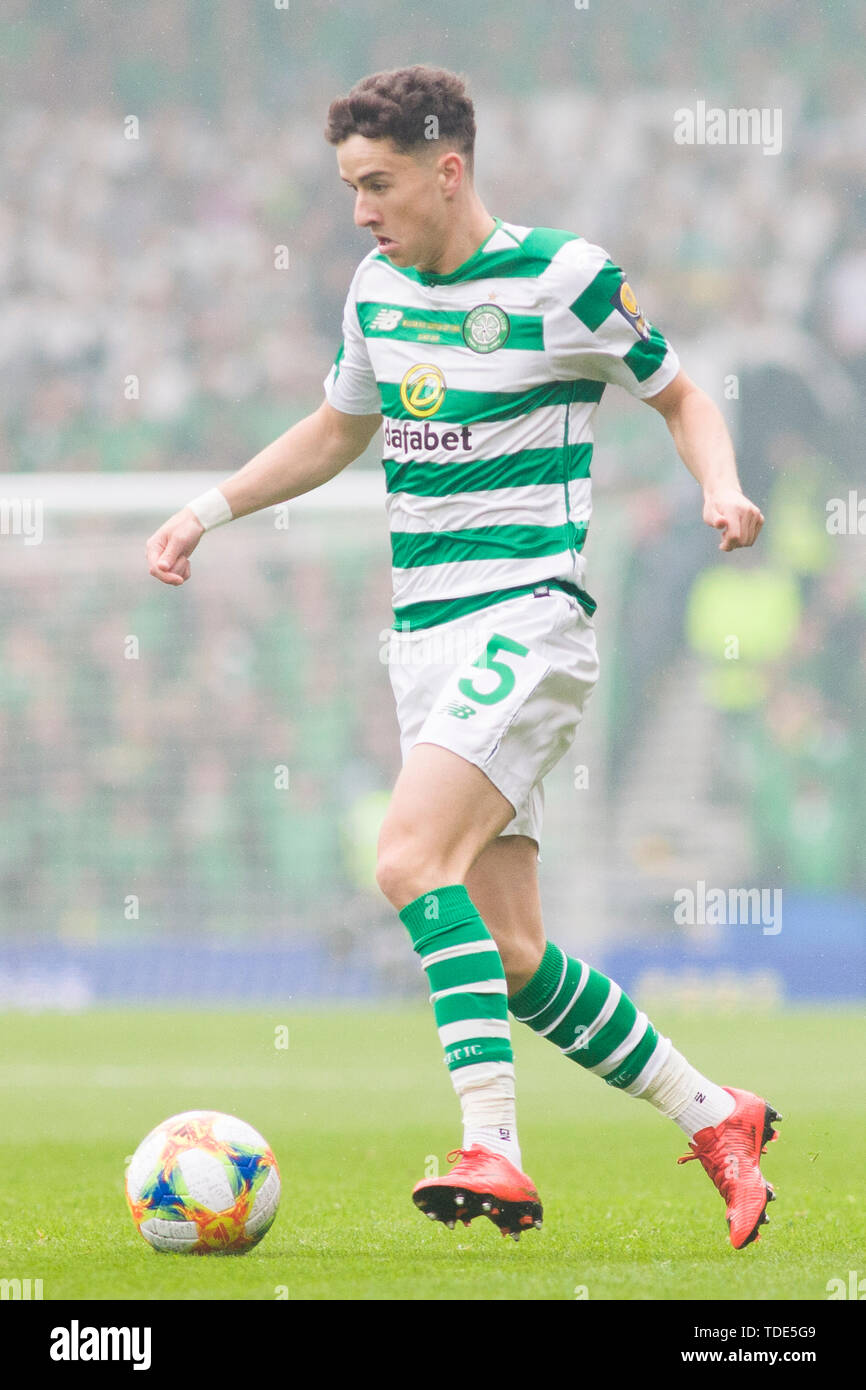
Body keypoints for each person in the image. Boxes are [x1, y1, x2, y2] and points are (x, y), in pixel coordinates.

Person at [146, 65, 778, 1249]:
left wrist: (722, 484)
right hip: (427, 646)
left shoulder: (566, 278)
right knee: (511, 954)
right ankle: (715, 1113)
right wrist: (209, 508)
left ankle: (495, 1144)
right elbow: (340, 428)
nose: (358, 210)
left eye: (376, 183)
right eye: (347, 187)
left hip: (526, 619)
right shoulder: (375, 289)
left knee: (402, 857)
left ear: (448, 169)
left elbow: (682, 397)